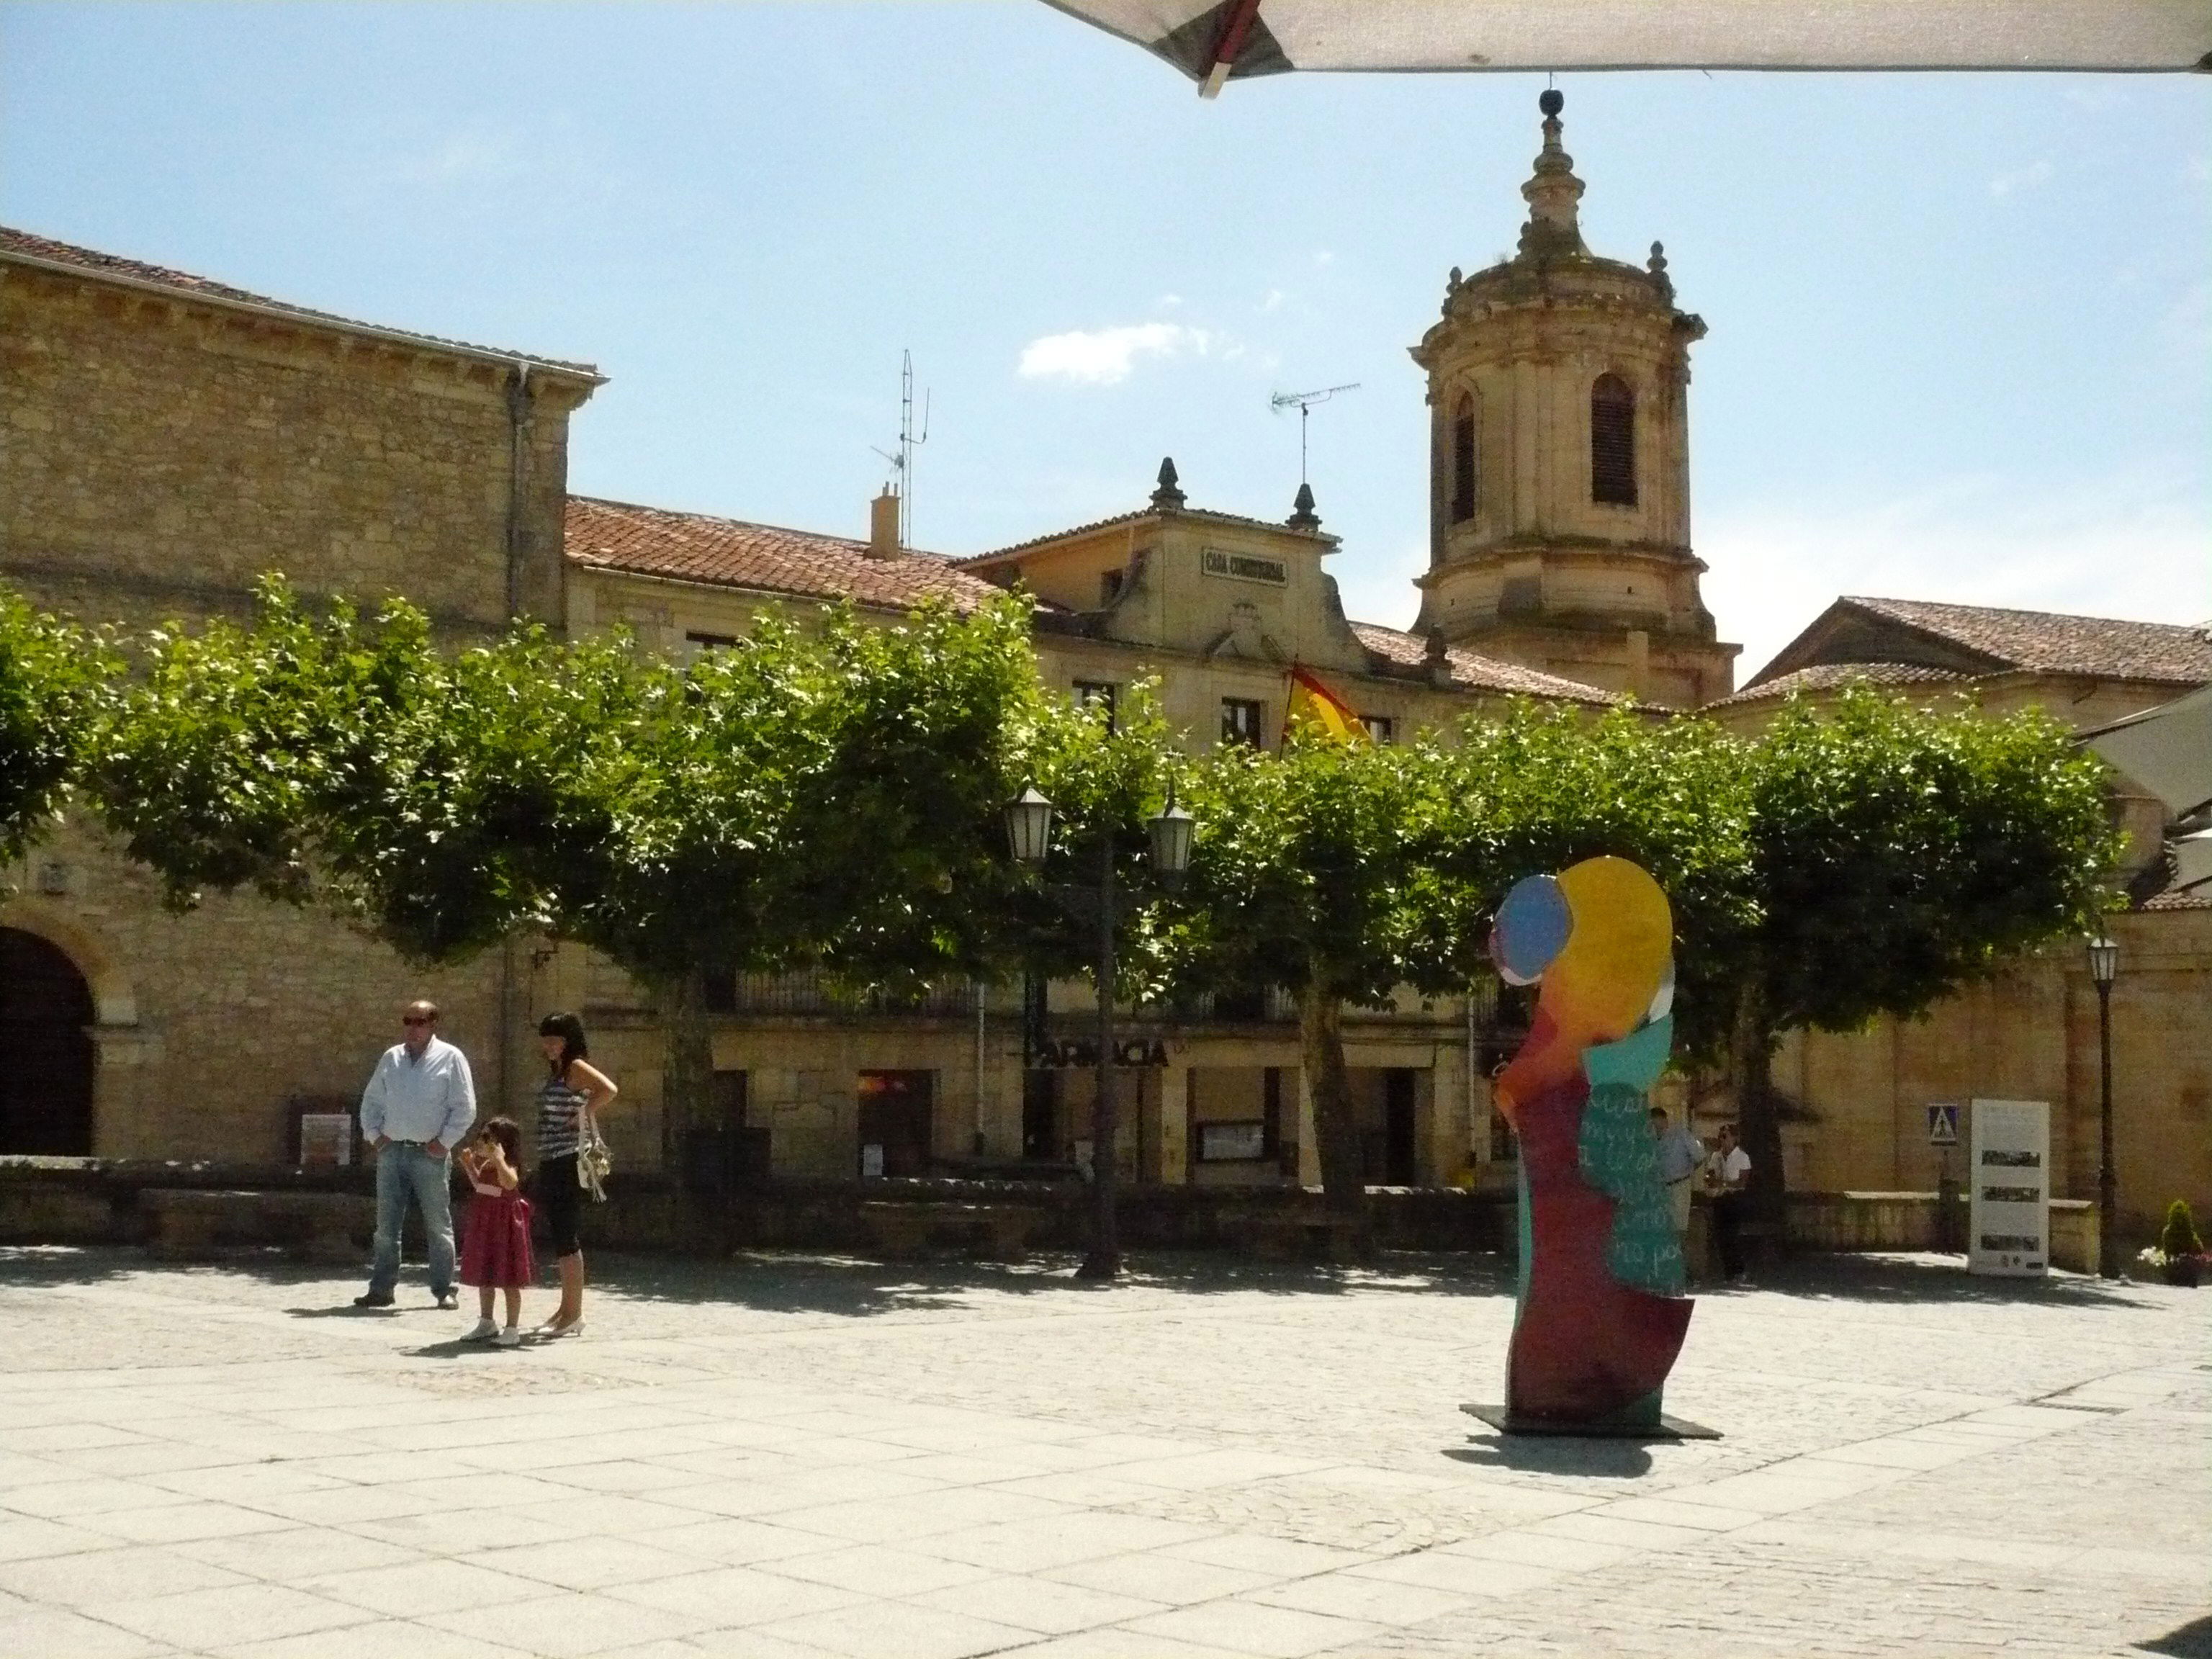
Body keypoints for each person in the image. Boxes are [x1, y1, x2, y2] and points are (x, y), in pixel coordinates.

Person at [355, 1000, 476, 1309]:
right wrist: (375, 1137)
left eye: (419, 1021)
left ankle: (444, 1289)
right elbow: (371, 1101)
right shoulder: (391, 1058)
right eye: (407, 1021)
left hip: (430, 1154)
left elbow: (464, 1107)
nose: (412, 1027)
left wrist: (445, 1142)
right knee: (386, 1226)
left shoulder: (451, 1057)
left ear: (433, 1024)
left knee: (438, 1224)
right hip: (393, 1151)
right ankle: (381, 1289)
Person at [533, 1012, 617, 1339]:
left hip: (567, 1160)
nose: (549, 1046)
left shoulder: (575, 1068)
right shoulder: (557, 1072)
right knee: (560, 1236)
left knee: (567, 1237)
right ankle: (565, 1310)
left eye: (555, 1040)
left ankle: (574, 1313)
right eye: (546, 1039)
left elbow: (609, 1089)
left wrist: (583, 1113)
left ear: (569, 1041)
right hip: (553, 1159)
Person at [457, 1118, 534, 1347]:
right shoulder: (486, 1166)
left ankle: (512, 1328)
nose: (480, 1142)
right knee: (485, 1273)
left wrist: (499, 1159)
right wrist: (470, 1166)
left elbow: (509, 1184)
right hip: (487, 1222)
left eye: (487, 1138)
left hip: (505, 1225)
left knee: (509, 1276)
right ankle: (487, 1321)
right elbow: (481, 1186)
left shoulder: (506, 1164)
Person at [1706, 1122, 1753, 1283]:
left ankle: (1739, 1269)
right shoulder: (1716, 1156)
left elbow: (1742, 1183)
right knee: (1720, 1236)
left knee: (1732, 1235)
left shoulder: (1742, 1157)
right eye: (1721, 1136)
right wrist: (1712, 1181)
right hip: (1720, 1198)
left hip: (1735, 1198)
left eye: (1725, 1136)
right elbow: (1710, 1176)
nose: (1722, 1139)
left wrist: (1724, 1184)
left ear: (1734, 1138)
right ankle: (1728, 1272)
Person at [1650, 1106, 1705, 1243]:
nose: (1653, 1126)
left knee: (1679, 1226)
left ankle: (1680, 1254)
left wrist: (1688, 1171)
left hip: (1680, 1183)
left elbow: (1699, 1156)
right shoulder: (1654, 1139)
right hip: (1662, 1186)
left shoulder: (1680, 1134)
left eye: (1654, 1122)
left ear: (1662, 1119)